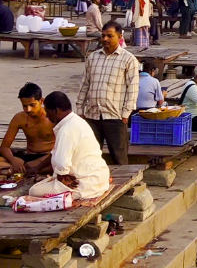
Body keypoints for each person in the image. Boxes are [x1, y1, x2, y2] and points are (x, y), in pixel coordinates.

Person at [77, 22, 140, 165]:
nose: (105, 39)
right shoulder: (93, 57)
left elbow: (133, 88)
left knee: (119, 157)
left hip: (115, 116)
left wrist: (126, 113)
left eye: (110, 36)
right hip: (92, 115)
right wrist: (80, 109)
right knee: (90, 156)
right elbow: (85, 84)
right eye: (103, 36)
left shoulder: (128, 59)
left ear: (120, 37)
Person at [31, 91, 111, 202]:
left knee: (34, 191)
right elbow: (55, 153)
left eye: (47, 112)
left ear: (56, 111)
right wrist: (37, 168)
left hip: (86, 184)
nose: (46, 116)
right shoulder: (77, 121)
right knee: (44, 182)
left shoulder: (66, 130)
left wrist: (61, 178)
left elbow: (62, 165)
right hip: (99, 177)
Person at [0, 82, 56, 176]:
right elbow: (4, 147)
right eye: (25, 106)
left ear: (41, 101)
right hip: (28, 157)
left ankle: (17, 172)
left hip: (47, 158)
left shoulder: (51, 117)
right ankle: (22, 171)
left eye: (32, 105)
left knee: (57, 164)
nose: (28, 109)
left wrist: (39, 163)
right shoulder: (19, 118)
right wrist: (13, 160)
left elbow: (61, 149)